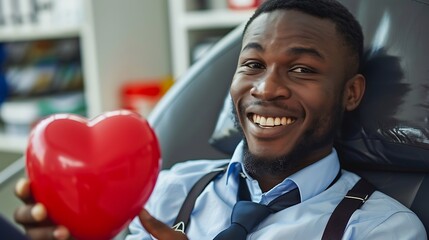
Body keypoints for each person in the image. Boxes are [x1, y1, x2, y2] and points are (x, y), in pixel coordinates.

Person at [14, 0, 427, 239]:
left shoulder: (381, 228)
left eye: (301, 70)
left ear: (351, 92)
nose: (266, 89)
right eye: (252, 64)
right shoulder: (166, 191)